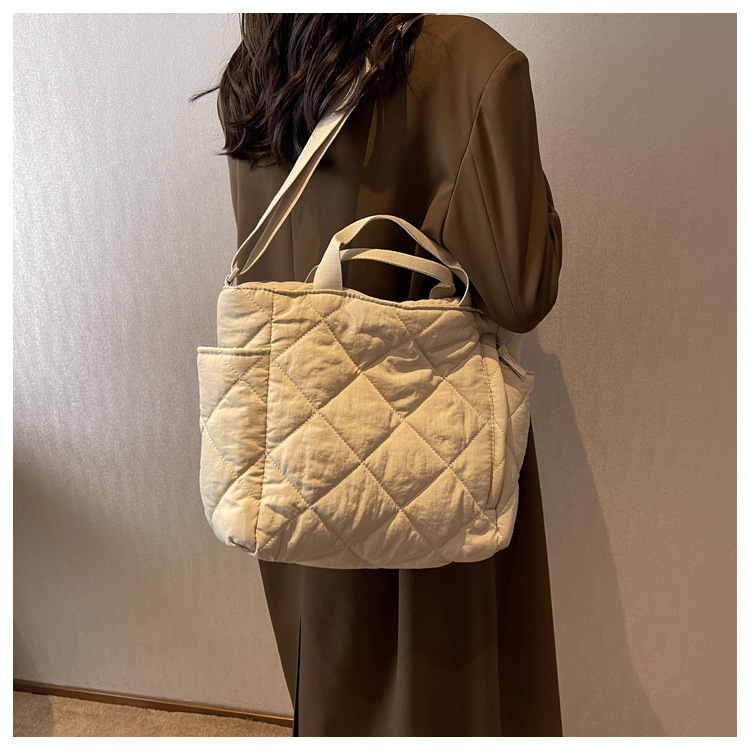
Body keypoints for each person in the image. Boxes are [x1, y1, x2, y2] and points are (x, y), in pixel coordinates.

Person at [193, 12, 563, 736]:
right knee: (447, 702)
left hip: (295, 448)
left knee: (336, 690)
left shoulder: (258, 67)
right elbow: (522, 291)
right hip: (434, 450)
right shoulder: (469, 63)